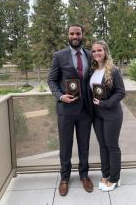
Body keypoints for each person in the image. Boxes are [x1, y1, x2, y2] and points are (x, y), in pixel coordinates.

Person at [48, 24, 93, 196]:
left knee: (84, 146)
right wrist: (60, 96)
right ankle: (65, 178)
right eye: (72, 33)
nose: (75, 36)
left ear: (82, 35)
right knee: (65, 146)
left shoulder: (90, 55)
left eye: (78, 33)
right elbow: (51, 80)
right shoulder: (59, 56)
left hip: (85, 111)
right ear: (68, 35)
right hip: (66, 110)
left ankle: (84, 175)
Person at [89, 40, 125, 191]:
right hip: (97, 115)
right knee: (102, 145)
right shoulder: (92, 71)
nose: (97, 53)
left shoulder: (113, 70)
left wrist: (104, 104)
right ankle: (106, 173)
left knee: (112, 146)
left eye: (100, 50)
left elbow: (121, 92)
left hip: (112, 114)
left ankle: (115, 178)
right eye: (94, 51)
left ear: (105, 52)